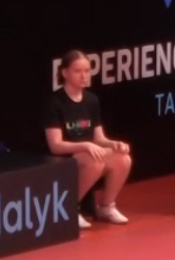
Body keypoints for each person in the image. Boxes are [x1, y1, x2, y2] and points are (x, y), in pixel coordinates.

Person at [44, 49, 132, 229]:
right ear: (65, 73)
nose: (84, 76)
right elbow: (55, 146)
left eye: (87, 71)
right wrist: (85, 146)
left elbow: (99, 138)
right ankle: (69, 208)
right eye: (78, 71)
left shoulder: (91, 100)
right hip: (65, 157)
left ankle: (107, 206)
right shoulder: (55, 102)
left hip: (89, 153)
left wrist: (113, 144)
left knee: (122, 158)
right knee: (95, 161)